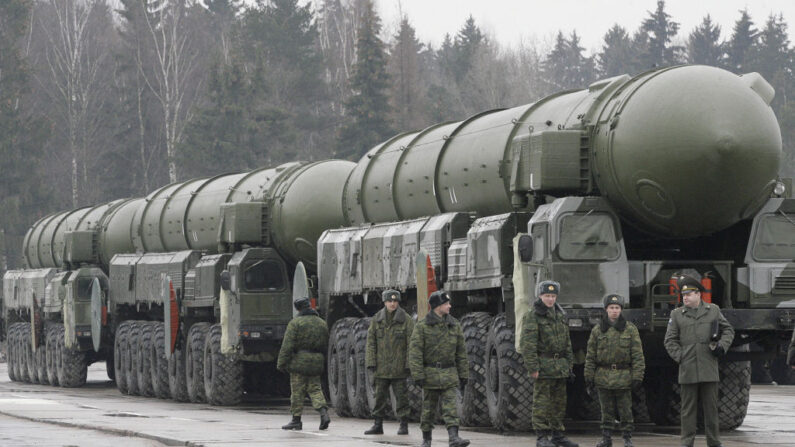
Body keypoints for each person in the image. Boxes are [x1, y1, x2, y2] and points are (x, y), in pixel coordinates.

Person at [664, 275, 734, 447]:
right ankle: (686, 442)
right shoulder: (677, 314)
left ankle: (714, 442)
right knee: (688, 410)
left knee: (711, 409)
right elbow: (669, 340)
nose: (685, 298)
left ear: (698, 294)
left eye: (688, 294)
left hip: (708, 366)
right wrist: (680, 356)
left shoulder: (713, 310)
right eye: (683, 295)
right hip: (687, 368)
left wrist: (721, 347)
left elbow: (728, 330)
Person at [520, 280, 579, 447]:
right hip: (543, 365)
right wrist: (533, 367)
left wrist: (569, 364)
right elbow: (528, 345)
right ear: (540, 296)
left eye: (553, 296)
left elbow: (567, 342)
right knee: (542, 402)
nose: (551, 299)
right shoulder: (533, 316)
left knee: (559, 403)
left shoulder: (559, 315)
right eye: (547, 296)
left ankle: (557, 435)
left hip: (559, 367)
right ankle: (541, 437)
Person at [408, 290, 470, 447]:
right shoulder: (422, 327)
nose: (449, 306)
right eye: (446, 304)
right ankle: (426, 439)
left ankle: (454, 437)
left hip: (449, 374)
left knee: (451, 408)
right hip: (430, 375)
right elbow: (415, 353)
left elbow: (461, 352)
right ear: (437, 306)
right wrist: (418, 375)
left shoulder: (454, 325)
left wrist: (463, 374)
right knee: (428, 410)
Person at [584, 294, 645, 447]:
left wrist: (638, 376)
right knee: (606, 411)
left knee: (625, 410)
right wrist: (588, 377)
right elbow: (590, 356)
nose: (614, 311)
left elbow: (637, 355)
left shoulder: (630, 329)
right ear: (606, 309)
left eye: (617, 308)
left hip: (624, 376)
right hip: (603, 376)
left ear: (621, 310)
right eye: (611, 308)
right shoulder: (598, 330)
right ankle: (606, 438)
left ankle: (627, 438)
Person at [363, 289, 415, 435]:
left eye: (395, 301)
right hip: (382, 368)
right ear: (385, 302)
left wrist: (408, 365)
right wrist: (371, 363)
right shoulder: (377, 320)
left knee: (402, 398)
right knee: (379, 398)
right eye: (390, 301)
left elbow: (412, 343)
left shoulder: (406, 320)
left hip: (399, 368)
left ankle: (403, 424)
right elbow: (371, 343)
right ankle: (377, 424)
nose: (392, 304)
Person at [277, 296, 330, 431]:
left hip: (299, 361)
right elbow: (325, 344)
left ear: (298, 308)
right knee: (315, 389)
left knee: (297, 391)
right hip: (316, 361)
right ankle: (323, 413)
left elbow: (287, 346)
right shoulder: (321, 323)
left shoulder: (295, 323)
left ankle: (296, 420)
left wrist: (281, 363)